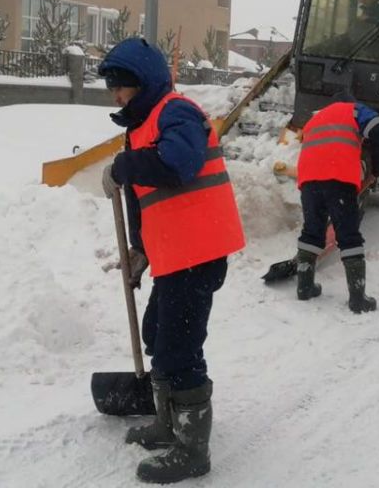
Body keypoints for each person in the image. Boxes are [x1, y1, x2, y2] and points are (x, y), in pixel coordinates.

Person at [99, 37, 245, 483]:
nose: (116, 96)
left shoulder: (177, 111)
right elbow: (154, 200)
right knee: (156, 333)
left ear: (142, 83)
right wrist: (141, 250)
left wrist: (125, 166)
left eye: (120, 87)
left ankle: (192, 449)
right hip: (174, 254)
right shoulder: (143, 126)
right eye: (111, 89)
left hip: (198, 253)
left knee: (179, 348)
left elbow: (176, 165)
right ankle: (168, 421)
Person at [293, 91, 379, 313]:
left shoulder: (316, 117)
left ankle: (305, 287)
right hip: (338, 178)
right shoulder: (355, 110)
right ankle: (358, 299)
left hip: (308, 179)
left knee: (312, 231)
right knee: (348, 235)